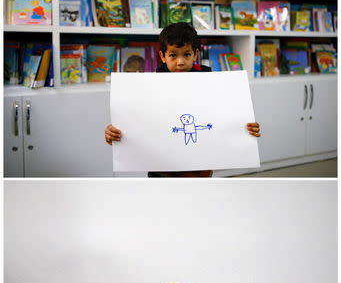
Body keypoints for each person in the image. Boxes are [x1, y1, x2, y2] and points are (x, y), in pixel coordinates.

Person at [105, 22, 261, 177]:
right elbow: (137, 120)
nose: (180, 62)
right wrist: (117, 134)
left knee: (197, 199)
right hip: (161, 169)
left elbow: (225, 117)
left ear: (196, 54)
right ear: (162, 56)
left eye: (186, 54)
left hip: (199, 170)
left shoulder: (211, 83)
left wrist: (244, 128)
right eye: (173, 55)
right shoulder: (148, 88)